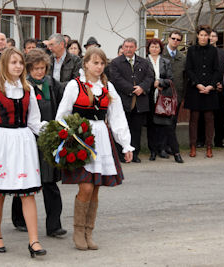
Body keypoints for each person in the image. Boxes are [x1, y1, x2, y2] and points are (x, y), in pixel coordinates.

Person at [56, 47, 134, 250]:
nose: (99, 67)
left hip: (102, 137)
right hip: (81, 137)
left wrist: (125, 144)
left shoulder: (108, 87)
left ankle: (89, 232)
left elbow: (117, 116)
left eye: (102, 63)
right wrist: (66, 136)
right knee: (86, 186)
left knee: (96, 189)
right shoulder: (75, 85)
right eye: (95, 63)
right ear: (86, 64)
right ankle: (78, 231)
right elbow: (62, 113)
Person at [0, 47, 46, 257]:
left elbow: (34, 121)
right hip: (3, 143)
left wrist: (54, 131)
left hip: (24, 142)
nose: (18, 66)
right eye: (13, 62)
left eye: (20, 63)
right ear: (4, 65)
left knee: (28, 193)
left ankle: (34, 241)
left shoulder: (28, 89)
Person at [11, 48, 66, 237]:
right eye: (35, 69)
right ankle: (19, 220)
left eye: (42, 68)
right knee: (25, 181)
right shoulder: (22, 86)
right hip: (28, 139)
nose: (39, 72)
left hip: (49, 138)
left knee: (49, 182)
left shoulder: (51, 84)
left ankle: (54, 225)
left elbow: (65, 101)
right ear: (28, 69)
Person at [110, 37, 154, 163]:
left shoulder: (144, 62)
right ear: (123, 48)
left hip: (140, 102)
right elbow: (116, 79)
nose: (128, 49)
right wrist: (131, 89)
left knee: (136, 129)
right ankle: (120, 154)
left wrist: (142, 88)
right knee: (122, 128)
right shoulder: (115, 63)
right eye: (126, 47)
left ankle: (135, 154)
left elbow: (150, 77)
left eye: (131, 47)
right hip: (123, 101)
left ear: (135, 48)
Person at [184, 25, 220, 158]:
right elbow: (189, 69)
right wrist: (198, 84)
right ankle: (193, 146)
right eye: (202, 35)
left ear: (209, 37)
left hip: (210, 90)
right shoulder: (192, 50)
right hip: (195, 89)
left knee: (209, 118)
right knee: (194, 118)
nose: (204, 37)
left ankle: (209, 146)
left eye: (206, 35)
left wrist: (211, 86)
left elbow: (217, 70)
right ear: (198, 35)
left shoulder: (213, 51)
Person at [146, 38, 183, 163]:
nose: (154, 49)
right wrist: (152, 84)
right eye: (152, 47)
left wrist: (160, 82)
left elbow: (170, 79)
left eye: (157, 47)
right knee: (151, 125)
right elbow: (143, 79)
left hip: (163, 97)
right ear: (148, 48)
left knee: (164, 125)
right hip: (149, 97)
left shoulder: (166, 62)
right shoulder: (144, 62)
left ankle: (163, 149)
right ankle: (152, 151)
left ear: (160, 49)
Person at [162, 30, 186, 155]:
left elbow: (185, 77)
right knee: (161, 122)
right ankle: (161, 147)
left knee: (172, 122)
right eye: (173, 38)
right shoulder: (160, 53)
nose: (175, 41)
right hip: (162, 95)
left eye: (178, 39)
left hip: (177, 95)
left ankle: (170, 146)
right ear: (168, 39)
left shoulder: (182, 58)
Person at [210, 30, 224, 148]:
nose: (211, 38)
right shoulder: (202, 52)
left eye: (213, 36)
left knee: (220, 116)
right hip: (207, 88)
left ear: (217, 38)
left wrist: (222, 83)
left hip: (220, 89)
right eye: (209, 36)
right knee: (204, 116)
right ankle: (201, 140)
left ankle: (219, 141)